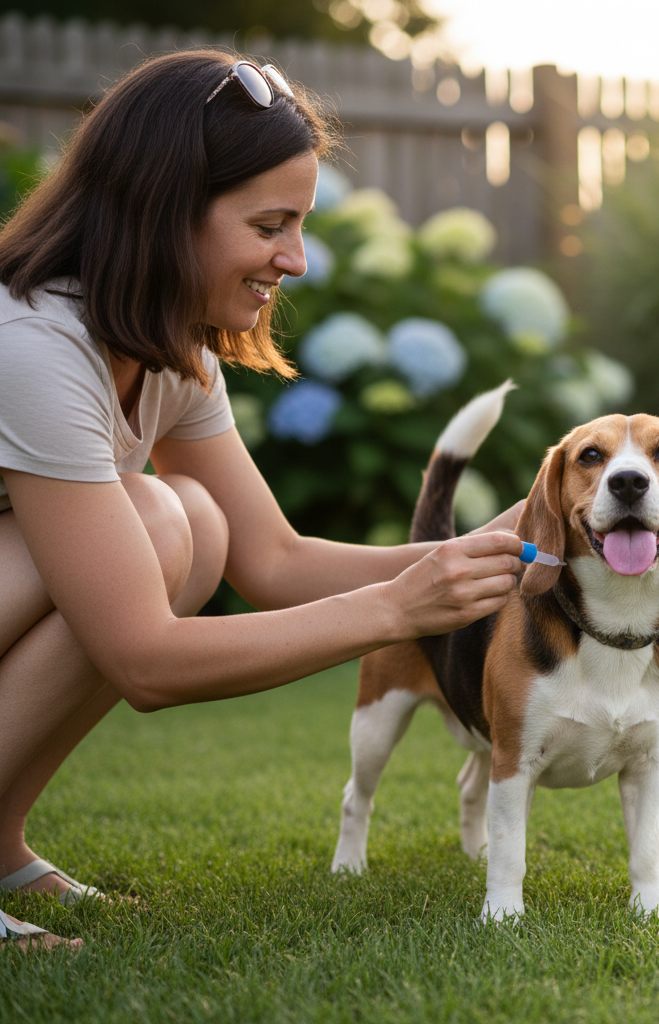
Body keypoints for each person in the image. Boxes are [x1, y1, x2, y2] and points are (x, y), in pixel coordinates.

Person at [0, 51, 524, 951]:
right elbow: (145, 661)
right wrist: (398, 607)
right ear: (164, 216)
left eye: (302, 224)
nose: (298, 259)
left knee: (194, 523)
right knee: (164, 518)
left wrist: (497, 550)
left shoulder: (171, 350)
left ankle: (1, 848)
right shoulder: (35, 345)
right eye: (270, 225)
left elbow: (272, 561)